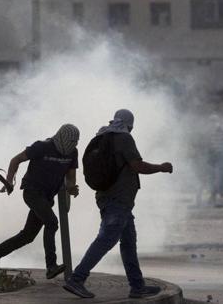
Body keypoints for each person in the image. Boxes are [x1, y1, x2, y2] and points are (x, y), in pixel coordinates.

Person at [63, 109, 173, 299]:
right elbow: (138, 166)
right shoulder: (124, 138)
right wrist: (162, 168)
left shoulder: (102, 136)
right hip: (117, 201)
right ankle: (77, 279)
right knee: (106, 239)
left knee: (128, 242)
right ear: (130, 124)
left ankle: (137, 286)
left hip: (112, 199)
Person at [0, 124, 80, 279]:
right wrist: (8, 181)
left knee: (28, 236)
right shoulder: (42, 147)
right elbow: (16, 160)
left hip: (47, 197)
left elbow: (70, 178)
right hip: (32, 192)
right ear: (61, 137)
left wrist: (72, 188)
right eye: (69, 141)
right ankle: (51, 266)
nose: (72, 145)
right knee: (52, 222)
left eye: (75, 142)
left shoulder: (72, 153)